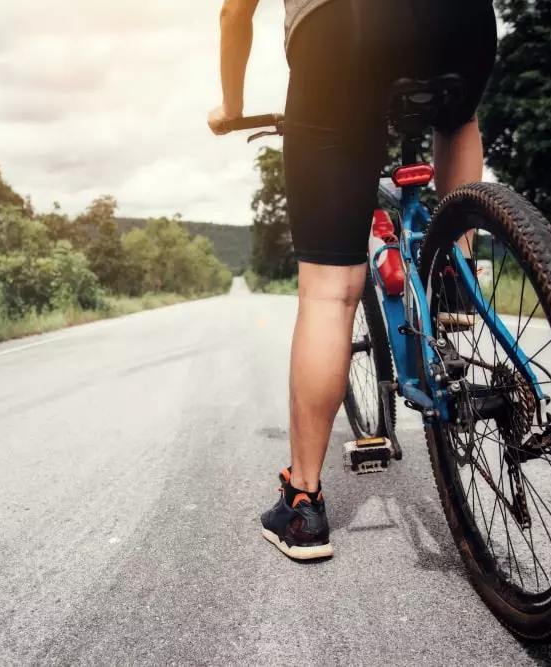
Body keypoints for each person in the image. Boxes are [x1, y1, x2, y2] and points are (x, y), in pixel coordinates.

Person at [208, 0, 498, 560]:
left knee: (329, 290)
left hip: (344, 30)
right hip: (461, 22)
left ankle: (303, 504)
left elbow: (234, 13)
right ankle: (455, 280)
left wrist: (231, 107)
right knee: (458, 116)